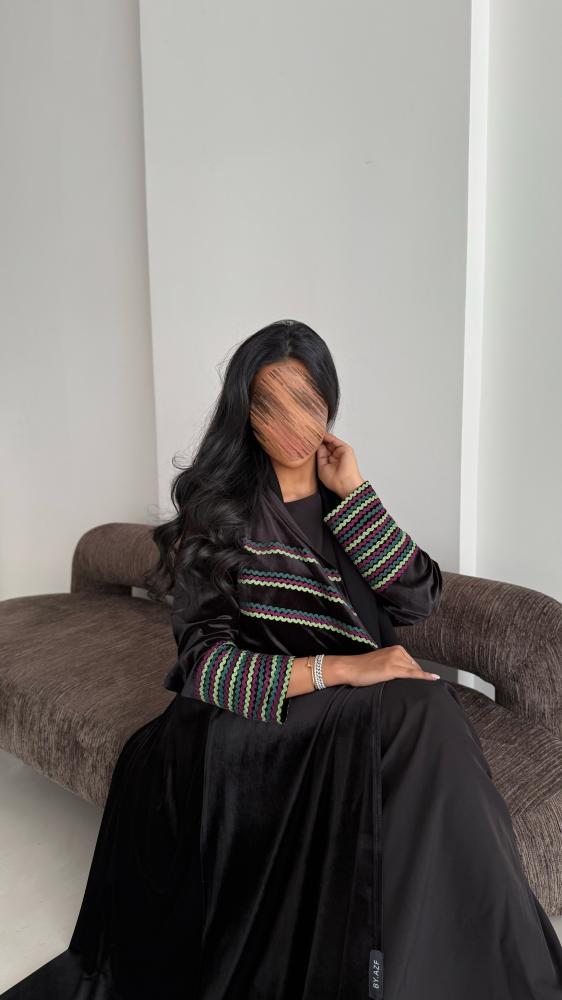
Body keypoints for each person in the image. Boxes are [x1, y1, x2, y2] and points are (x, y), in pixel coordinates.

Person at [3, 319, 562, 999]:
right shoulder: (220, 513)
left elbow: (418, 599)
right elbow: (206, 667)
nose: (292, 424)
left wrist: (355, 493)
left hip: (348, 714)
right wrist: (346, 669)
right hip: (245, 725)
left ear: (330, 403)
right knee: (424, 709)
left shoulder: (344, 504)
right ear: (245, 414)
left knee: (428, 716)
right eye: (269, 405)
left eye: (307, 401)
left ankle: (456, 972)